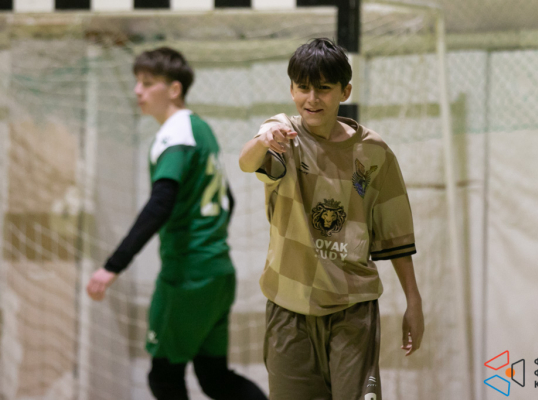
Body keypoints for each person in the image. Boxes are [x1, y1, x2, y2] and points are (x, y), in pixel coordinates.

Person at [239, 38, 425, 400]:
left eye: (323, 88)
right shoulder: (282, 135)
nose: (312, 99)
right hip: (289, 311)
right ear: (292, 90)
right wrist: (263, 140)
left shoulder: (374, 152)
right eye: (303, 88)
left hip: (352, 311)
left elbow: (395, 236)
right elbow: (247, 162)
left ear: (345, 91)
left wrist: (413, 302)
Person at [87, 47, 268, 400]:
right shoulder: (201, 129)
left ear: (173, 89)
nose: (137, 90)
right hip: (217, 271)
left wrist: (112, 266)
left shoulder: (175, 135)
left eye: (147, 83)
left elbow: (160, 204)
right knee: (214, 377)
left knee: (164, 378)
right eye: (137, 82)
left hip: (187, 275)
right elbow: (228, 200)